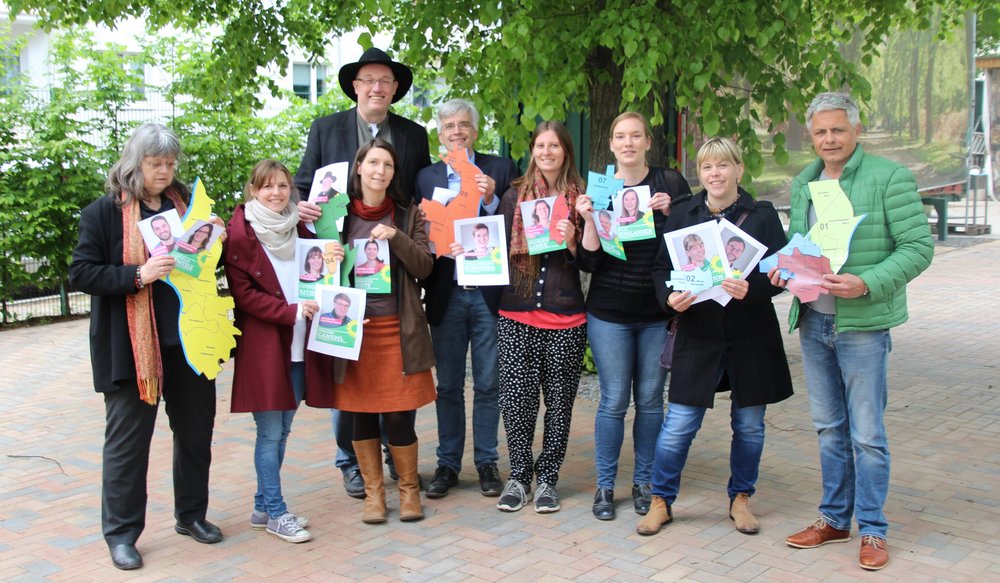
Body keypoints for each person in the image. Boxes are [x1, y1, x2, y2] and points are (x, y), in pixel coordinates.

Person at [774, 92, 934, 571]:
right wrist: (785, 270)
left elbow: (918, 248)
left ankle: (874, 530)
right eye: (821, 131)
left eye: (838, 130)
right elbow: (802, 246)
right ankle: (834, 519)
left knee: (867, 434)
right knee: (828, 428)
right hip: (814, 319)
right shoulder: (804, 183)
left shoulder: (890, 177)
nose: (829, 139)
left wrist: (866, 283)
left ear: (856, 131)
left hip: (863, 324)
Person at [69, 123, 223, 571]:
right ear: (134, 163)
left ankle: (191, 515)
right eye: (156, 163)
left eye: (170, 163)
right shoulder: (103, 213)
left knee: (195, 434)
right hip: (134, 350)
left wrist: (212, 236)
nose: (164, 171)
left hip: (189, 341)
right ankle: (121, 535)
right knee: (127, 444)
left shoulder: (185, 205)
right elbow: (82, 273)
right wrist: (138, 274)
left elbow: (201, 263)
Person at [638, 137, 792, 538]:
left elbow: (781, 274)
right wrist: (669, 299)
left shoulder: (762, 216)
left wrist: (754, 289)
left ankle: (741, 498)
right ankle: (661, 501)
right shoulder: (683, 213)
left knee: (750, 425)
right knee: (679, 424)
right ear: (700, 173)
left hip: (751, 333)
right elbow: (661, 268)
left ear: (739, 169)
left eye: (723, 165)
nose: (715, 174)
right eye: (707, 167)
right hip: (698, 332)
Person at [296, 47, 431, 497]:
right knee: (347, 379)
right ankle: (350, 462)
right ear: (355, 86)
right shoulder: (325, 128)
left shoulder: (413, 134)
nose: (376, 87)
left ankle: (395, 457)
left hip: (391, 269)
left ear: (394, 89)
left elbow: (418, 195)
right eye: (368, 80)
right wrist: (301, 207)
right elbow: (304, 185)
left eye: (385, 81)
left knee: (394, 386)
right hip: (343, 268)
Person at [575, 111, 692, 521]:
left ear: (647, 142)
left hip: (657, 311)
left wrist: (672, 212)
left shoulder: (670, 182)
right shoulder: (601, 188)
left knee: (650, 401)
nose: (628, 143)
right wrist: (589, 219)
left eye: (635, 136)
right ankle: (605, 486)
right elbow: (589, 262)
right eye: (620, 136)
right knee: (612, 401)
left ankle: (644, 482)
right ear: (611, 144)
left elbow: (689, 242)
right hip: (609, 311)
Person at [225, 159, 338, 544]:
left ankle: (262, 508)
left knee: (283, 431)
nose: (276, 193)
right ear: (253, 190)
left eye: (283, 186)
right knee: (270, 433)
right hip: (266, 348)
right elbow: (244, 296)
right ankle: (276, 512)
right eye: (267, 186)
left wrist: (334, 260)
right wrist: (289, 312)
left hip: (300, 345)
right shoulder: (239, 235)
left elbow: (317, 272)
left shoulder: (300, 227)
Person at [416, 98, 518, 499]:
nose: (456, 132)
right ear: (440, 134)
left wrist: (492, 198)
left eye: (463, 125)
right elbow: (420, 233)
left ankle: (487, 463)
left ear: (475, 130)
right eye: (449, 127)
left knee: (489, 384)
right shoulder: (426, 177)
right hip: (447, 292)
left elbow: (519, 224)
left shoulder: (500, 169)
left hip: (489, 295)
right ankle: (448, 464)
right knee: (449, 386)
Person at [330, 138, 435, 524]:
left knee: (398, 416)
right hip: (355, 331)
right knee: (359, 415)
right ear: (359, 167)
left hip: (397, 330)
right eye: (373, 163)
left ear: (394, 173)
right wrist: (329, 256)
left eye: (387, 165)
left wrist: (396, 237)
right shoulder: (337, 217)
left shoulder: (407, 214)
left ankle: (408, 491)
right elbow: (318, 271)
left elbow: (424, 266)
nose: (380, 171)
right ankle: (374, 495)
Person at [494, 121, 586, 514]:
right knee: (517, 402)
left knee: (560, 405)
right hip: (517, 314)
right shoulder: (513, 196)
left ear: (566, 151)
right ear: (532, 150)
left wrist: (573, 241)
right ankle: (518, 476)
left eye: (554, 145)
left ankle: (548, 478)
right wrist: (471, 255)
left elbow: (595, 260)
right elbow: (495, 248)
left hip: (566, 318)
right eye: (540, 145)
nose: (547, 152)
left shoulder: (582, 199)